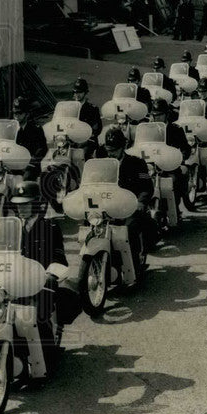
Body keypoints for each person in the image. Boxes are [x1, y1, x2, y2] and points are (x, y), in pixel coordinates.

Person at [11, 180, 74, 372]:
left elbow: (59, 258)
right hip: (14, 280)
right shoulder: (10, 228)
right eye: (18, 204)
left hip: (39, 281)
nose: (21, 208)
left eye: (26, 204)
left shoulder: (50, 227)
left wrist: (49, 274)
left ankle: (48, 354)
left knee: (38, 314)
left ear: (37, 203)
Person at [95, 127, 155, 279]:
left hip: (129, 208)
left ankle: (134, 266)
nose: (110, 153)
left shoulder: (138, 164)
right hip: (106, 207)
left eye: (114, 150)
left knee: (128, 231)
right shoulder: (101, 164)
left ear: (123, 147)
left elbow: (147, 187)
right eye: (108, 149)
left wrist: (141, 203)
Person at [12, 96, 48, 180]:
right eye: (15, 113)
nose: (16, 116)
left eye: (20, 113)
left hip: (29, 166)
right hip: (13, 164)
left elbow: (42, 149)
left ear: (27, 114)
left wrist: (32, 160)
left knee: (24, 182)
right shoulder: (10, 129)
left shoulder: (36, 129)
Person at [71, 77, 103, 147]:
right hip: (72, 140)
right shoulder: (69, 107)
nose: (77, 95)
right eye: (75, 92)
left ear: (85, 92)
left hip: (87, 141)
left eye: (80, 92)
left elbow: (97, 129)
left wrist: (87, 137)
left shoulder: (92, 109)